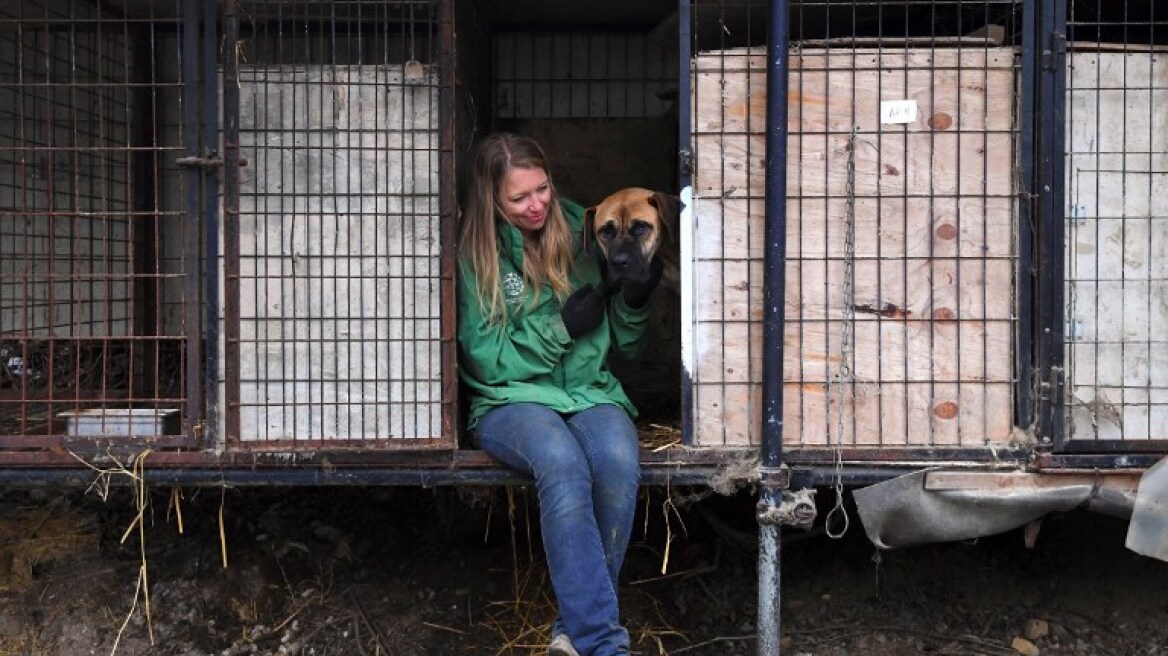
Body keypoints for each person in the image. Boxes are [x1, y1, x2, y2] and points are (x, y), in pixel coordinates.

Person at [456, 132, 662, 656]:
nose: (536, 205)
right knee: (563, 464)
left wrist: (635, 302)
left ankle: (574, 632)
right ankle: (603, 643)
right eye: (518, 197)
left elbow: (627, 347)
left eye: (542, 188)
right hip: (511, 400)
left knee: (618, 460)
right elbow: (484, 357)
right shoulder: (476, 254)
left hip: (591, 392)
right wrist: (560, 328)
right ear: (492, 199)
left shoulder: (585, 229)